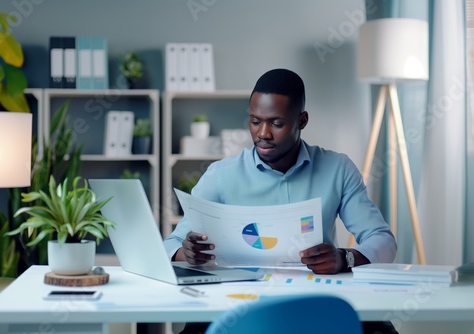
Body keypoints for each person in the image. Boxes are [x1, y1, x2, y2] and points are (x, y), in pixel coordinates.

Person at [164, 68, 398, 334]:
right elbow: (169, 244)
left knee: (379, 328)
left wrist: (345, 258)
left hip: (314, 302)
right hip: (238, 304)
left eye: (276, 123)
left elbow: (383, 240)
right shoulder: (221, 175)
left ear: (302, 120)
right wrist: (187, 252)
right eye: (254, 121)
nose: (263, 133)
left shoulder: (337, 169)